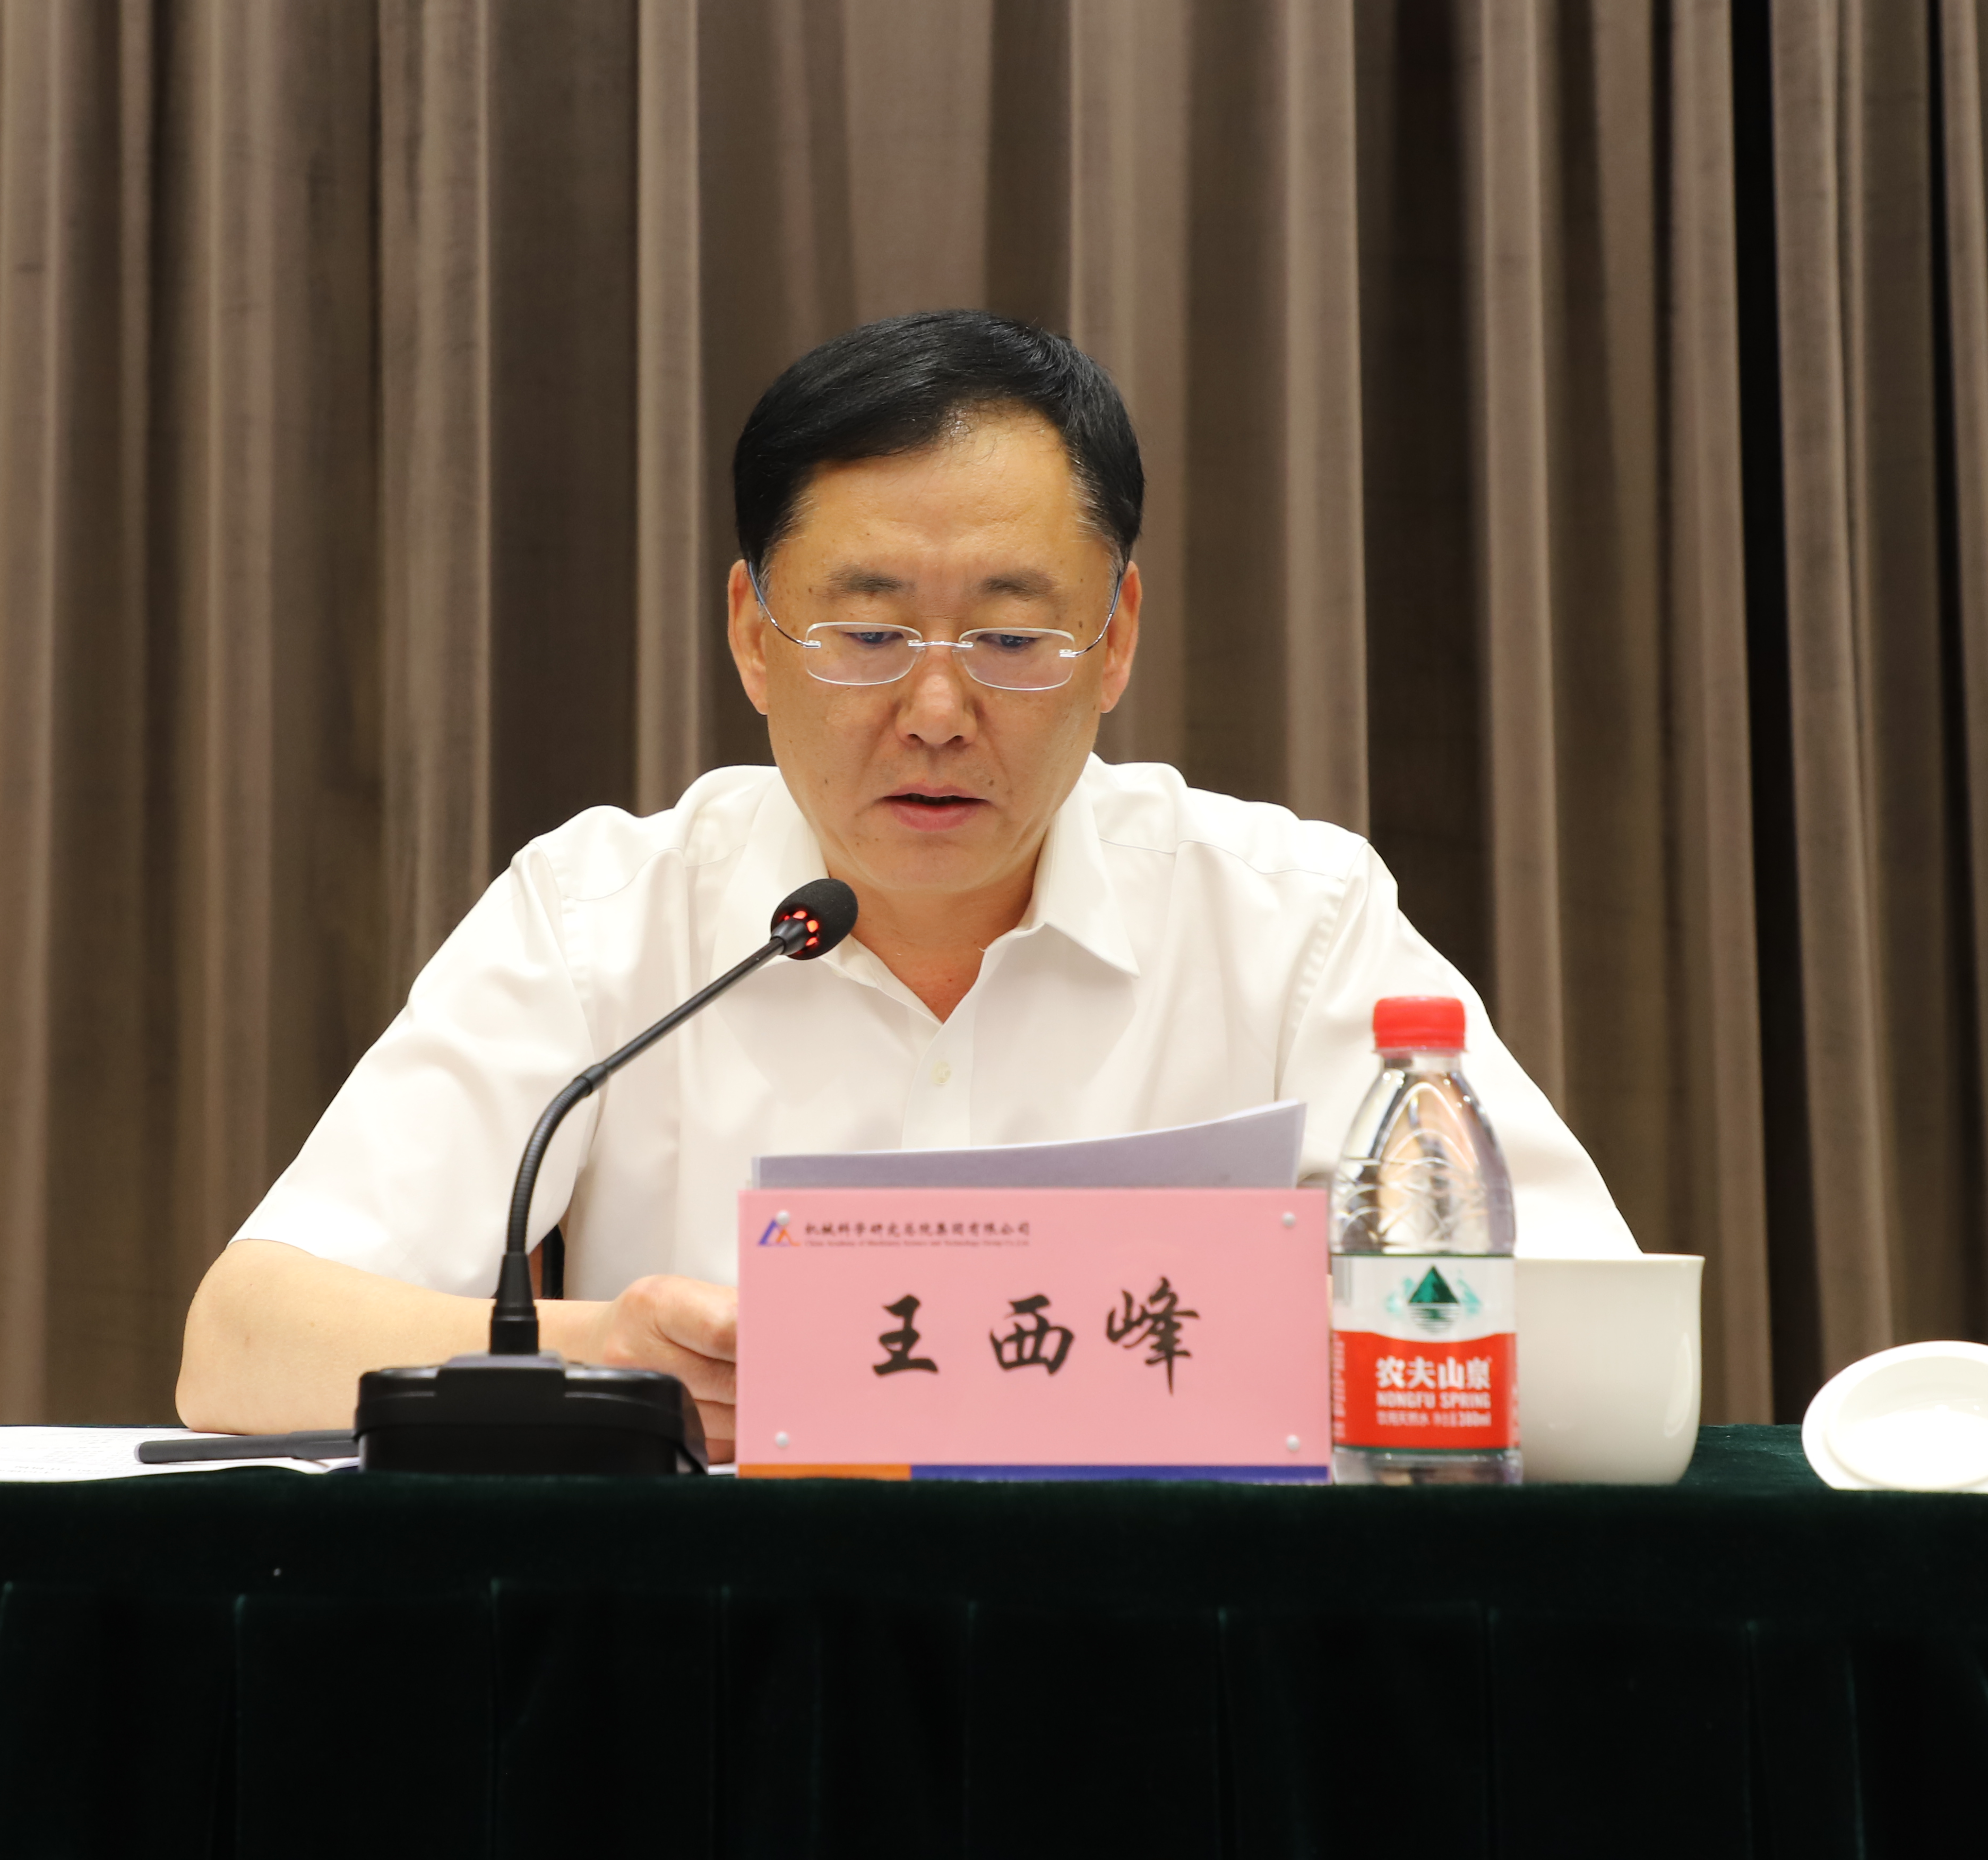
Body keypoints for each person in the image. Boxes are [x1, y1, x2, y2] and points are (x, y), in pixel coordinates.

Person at [175, 311, 1636, 1455]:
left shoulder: (1291, 920)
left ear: (1117, 639)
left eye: (1012, 639)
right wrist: (599, 1355)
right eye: (867, 638)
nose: (937, 712)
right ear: (753, 635)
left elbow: (1585, 1348)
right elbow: (240, 1349)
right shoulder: (601, 916)